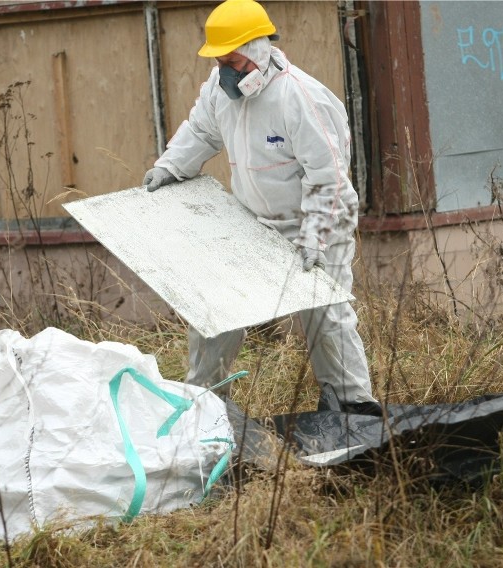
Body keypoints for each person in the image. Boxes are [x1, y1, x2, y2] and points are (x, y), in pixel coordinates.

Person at [142, 0, 380, 415]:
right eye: (220, 60)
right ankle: (204, 408)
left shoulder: (302, 98)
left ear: (259, 49)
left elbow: (328, 176)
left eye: (233, 60)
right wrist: (169, 167)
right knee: (216, 309)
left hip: (315, 223)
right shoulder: (220, 91)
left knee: (325, 316)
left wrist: (315, 239)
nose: (227, 70)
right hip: (253, 223)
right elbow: (200, 132)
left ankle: (352, 408)